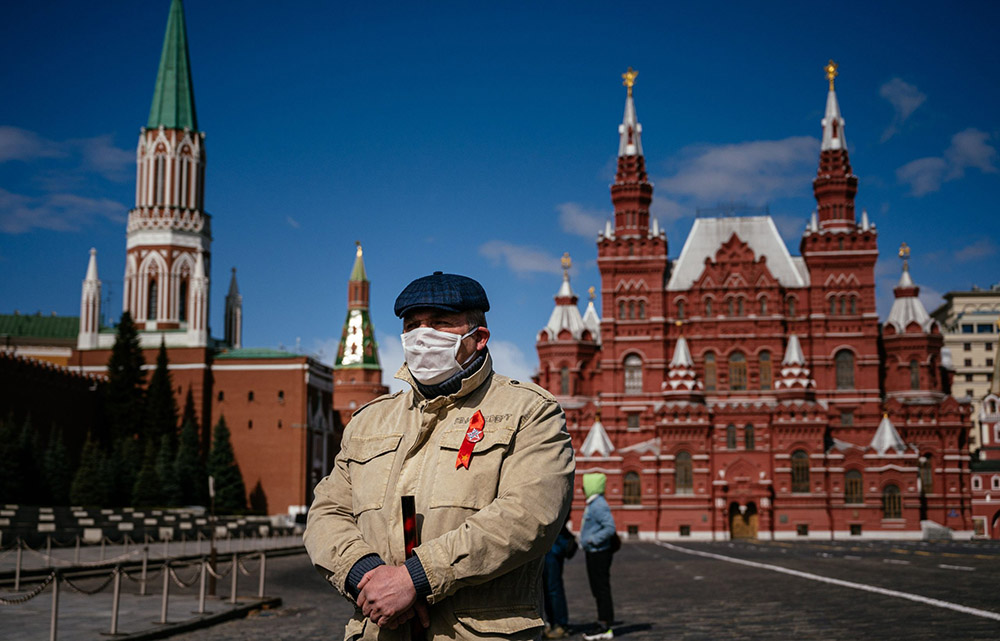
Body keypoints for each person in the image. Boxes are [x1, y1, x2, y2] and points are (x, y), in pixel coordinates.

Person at [304, 271, 575, 641]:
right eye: (412, 325)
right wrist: (364, 575)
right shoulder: (370, 420)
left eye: (440, 323)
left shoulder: (527, 410)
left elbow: (530, 515)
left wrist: (416, 578)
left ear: (479, 337)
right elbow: (327, 513)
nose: (422, 335)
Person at [579, 472, 616, 641]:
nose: (582, 488)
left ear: (592, 486)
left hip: (599, 552)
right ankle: (602, 621)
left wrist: (592, 540)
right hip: (594, 552)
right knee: (598, 589)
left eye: (585, 485)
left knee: (601, 589)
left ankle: (605, 626)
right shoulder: (594, 503)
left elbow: (610, 527)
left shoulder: (598, 504)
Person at [542, 516, 577, 639]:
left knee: (553, 587)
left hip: (553, 545)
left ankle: (561, 624)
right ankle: (551, 621)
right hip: (546, 546)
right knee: (546, 588)